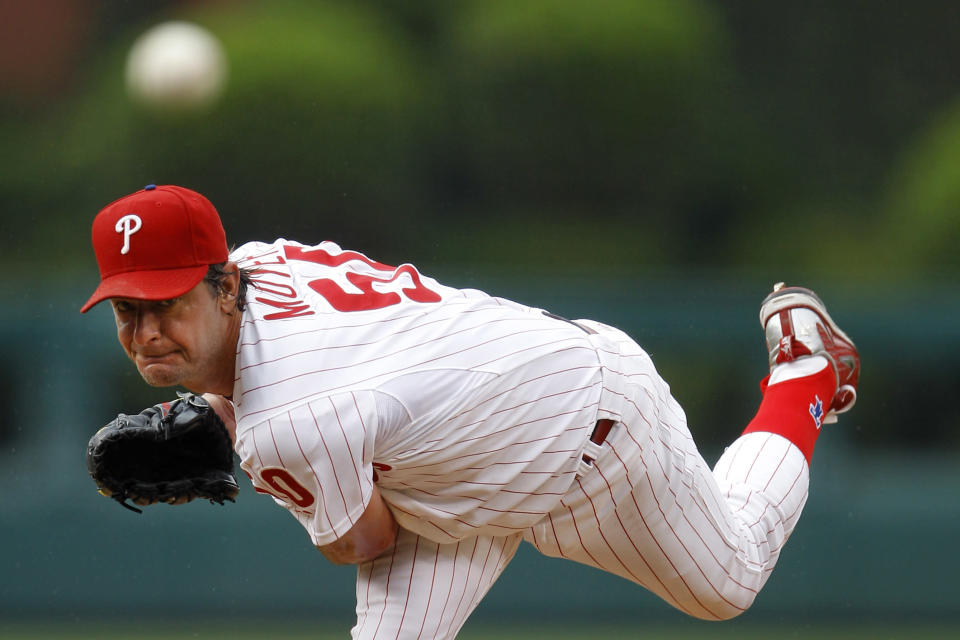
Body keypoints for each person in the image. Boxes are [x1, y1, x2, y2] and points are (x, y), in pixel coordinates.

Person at [82, 184, 860, 638]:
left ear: (220, 286)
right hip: (458, 455)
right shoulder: (262, 259)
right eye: (126, 309)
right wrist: (234, 419)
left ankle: (803, 372)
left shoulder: (290, 418)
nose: (147, 331)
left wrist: (239, 444)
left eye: (166, 302)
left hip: (583, 428)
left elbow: (363, 540)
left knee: (727, 584)